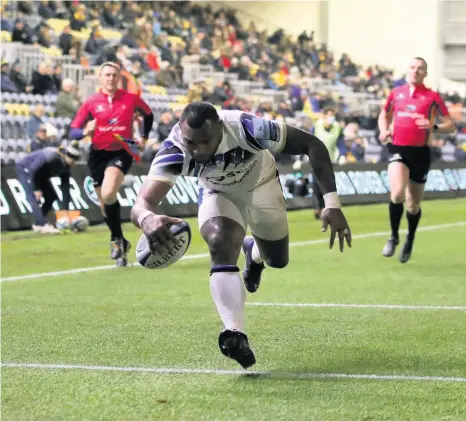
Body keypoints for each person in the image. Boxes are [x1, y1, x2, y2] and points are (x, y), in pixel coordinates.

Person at [130, 103, 352, 369]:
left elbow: (313, 144)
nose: (198, 150)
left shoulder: (247, 127)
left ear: (220, 129)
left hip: (262, 184)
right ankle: (235, 333)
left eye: (205, 141)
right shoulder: (174, 150)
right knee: (220, 240)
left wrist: (332, 204)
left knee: (277, 259)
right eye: (192, 142)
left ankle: (254, 254)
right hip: (217, 192)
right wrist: (148, 218)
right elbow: (140, 204)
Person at [69, 62, 154, 267]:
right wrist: (85, 133)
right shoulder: (91, 102)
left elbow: (148, 114)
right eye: (107, 75)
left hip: (121, 151)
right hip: (97, 154)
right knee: (104, 204)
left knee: (108, 194)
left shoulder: (130, 99)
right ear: (100, 78)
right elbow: (73, 131)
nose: (110, 78)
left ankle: (116, 240)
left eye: (114, 75)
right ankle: (119, 240)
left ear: (119, 78)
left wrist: (143, 136)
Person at [378, 57, 455, 263]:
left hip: (420, 153)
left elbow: (451, 125)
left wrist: (434, 127)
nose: (415, 71)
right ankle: (393, 236)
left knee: (413, 205)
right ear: (407, 70)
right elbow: (384, 115)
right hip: (397, 148)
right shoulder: (396, 93)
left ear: (425, 73)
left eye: (420, 69)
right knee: (396, 193)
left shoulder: (432, 97)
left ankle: (409, 239)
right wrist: (384, 130)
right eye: (412, 67)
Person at [14, 143, 81, 234]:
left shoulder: (66, 165)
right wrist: (36, 188)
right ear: (69, 156)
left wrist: (65, 209)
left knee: (51, 196)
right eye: (74, 160)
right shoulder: (52, 158)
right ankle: (42, 225)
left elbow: (65, 188)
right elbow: (35, 170)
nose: (74, 163)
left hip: (41, 174)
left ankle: (38, 223)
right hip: (27, 169)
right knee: (33, 198)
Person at [311, 108, 343, 219]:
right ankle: (317, 208)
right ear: (324, 116)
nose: (331, 118)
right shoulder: (316, 126)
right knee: (316, 185)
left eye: (332, 116)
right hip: (316, 159)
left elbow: (340, 142)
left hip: (330, 160)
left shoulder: (337, 127)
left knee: (328, 185)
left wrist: (343, 155)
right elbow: (308, 141)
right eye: (329, 115)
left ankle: (327, 208)